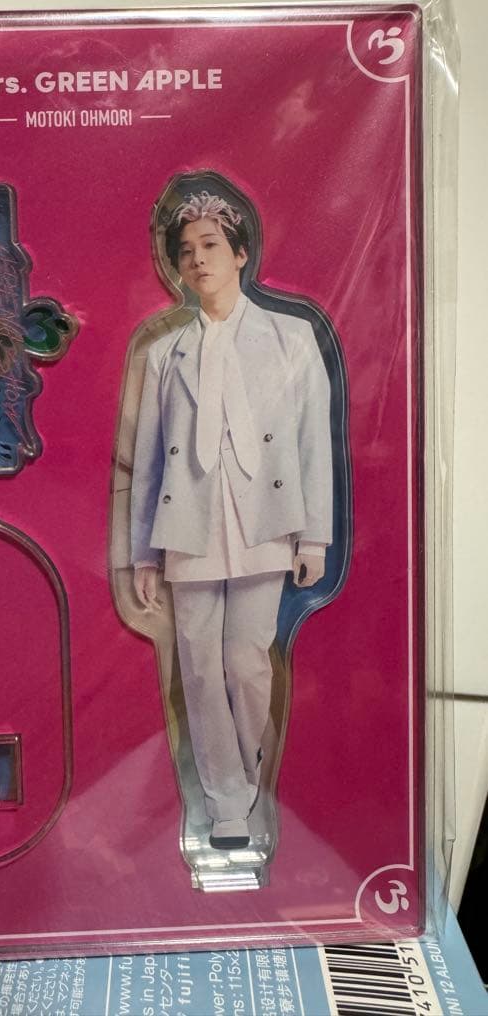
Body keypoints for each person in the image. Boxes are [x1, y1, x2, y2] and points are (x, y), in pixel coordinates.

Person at [130, 191, 332, 850]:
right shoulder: (168, 354)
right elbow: (150, 460)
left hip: (263, 524)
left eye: (210, 245)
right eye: (186, 251)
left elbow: (313, 442)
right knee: (197, 668)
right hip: (188, 530)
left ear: (241, 253)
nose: (197, 260)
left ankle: (244, 776)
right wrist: (142, 553)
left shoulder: (290, 337)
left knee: (245, 664)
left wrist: (315, 535)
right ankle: (225, 802)